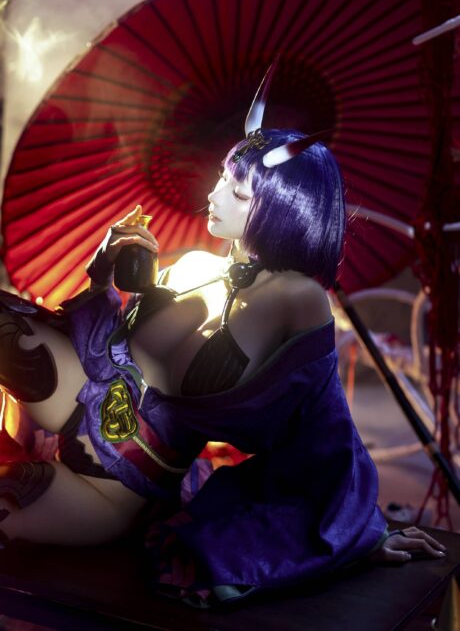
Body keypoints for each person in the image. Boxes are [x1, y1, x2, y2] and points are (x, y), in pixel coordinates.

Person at [0, 63, 447, 605]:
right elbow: (104, 337)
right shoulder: (192, 263)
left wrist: (359, 532)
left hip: (118, 486)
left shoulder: (298, 300)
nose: (213, 194)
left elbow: (325, 427)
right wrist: (103, 273)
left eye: (236, 190)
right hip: (73, 386)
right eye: (220, 177)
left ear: (280, 207)